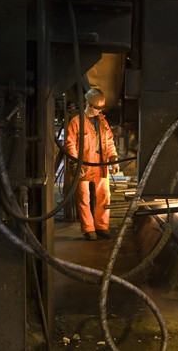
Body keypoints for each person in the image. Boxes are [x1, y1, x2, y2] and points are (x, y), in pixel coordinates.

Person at [65, 88, 119, 241]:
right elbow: (70, 145)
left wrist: (113, 158)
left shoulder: (102, 122)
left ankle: (102, 226)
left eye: (100, 109)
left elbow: (109, 142)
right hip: (84, 164)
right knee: (84, 198)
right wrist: (75, 164)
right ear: (87, 104)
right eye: (96, 108)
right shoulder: (76, 122)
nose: (98, 111)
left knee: (104, 195)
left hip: (100, 163)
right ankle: (89, 229)